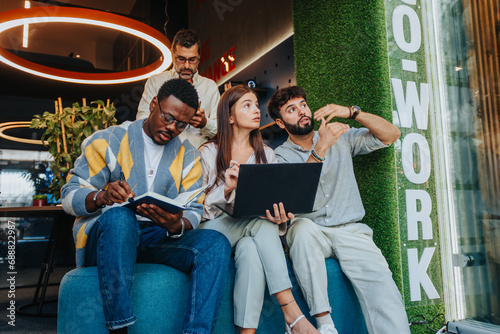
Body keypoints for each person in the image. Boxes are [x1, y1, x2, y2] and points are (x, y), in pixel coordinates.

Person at [61, 78, 231, 334]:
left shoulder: (189, 155)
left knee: (216, 243)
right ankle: (119, 329)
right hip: (109, 238)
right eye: (167, 117)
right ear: (153, 105)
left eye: (181, 124)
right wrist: (101, 197)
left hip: (157, 236)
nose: (172, 127)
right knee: (120, 218)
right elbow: (69, 195)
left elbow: (194, 211)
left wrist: (176, 225)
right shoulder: (108, 140)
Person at [267, 86, 410, 334]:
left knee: (387, 299)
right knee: (300, 228)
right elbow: (296, 199)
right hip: (313, 234)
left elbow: (391, 134)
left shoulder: (341, 137)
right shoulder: (278, 157)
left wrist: (352, 113)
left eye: (303, 104)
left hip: (352, 231)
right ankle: (325, 325)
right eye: (291, 109)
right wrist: (321, 147)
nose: (301, 111)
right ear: (280, 123)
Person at [198, 85, 319, 334]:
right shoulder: (209, 152)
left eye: (256, 104)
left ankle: (247, 333)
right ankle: (292, 316)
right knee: (259, 224)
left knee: (251, 250)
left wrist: (280, 218)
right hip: (212, 233)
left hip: (251, 233)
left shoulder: (267, 154)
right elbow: (197, 210)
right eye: (247, 105)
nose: (256, 110)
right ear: (229, 116)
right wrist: (227, 190)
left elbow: (270, 206)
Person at [137, 29, 220, 149]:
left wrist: (204, 123)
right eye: (181, 59)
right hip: (161, 155)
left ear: (199, 57)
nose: (186, 66)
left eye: (192, 60)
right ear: (172, 55)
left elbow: (222, 132)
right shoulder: (156, 82)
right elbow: (141, 122)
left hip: (197, 159)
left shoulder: (210, 87)